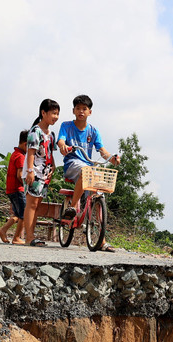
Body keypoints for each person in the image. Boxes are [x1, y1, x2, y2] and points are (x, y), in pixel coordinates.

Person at [57, 94, 120, 251]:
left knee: (98, 193)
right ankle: (72, 207)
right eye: (78, 108)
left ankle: (102, 241)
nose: (81, 111)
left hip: (89, 167)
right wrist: (63, 146)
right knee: (85, 171)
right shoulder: (66, 126)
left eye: (84, 109)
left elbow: (102, 150)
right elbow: (61, 140)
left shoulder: (93, 131)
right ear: (73, 110)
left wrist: (112, 158)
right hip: (72, 164)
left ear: (89, 112)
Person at [20, 99, 60, 246]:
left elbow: (50, 152)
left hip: (45, 174)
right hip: (35, 172)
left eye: (57, 114)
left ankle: (32, 236)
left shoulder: (51, 134)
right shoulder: (35, 131)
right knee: (31, 205)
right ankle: (29, 238)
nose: (56, 117)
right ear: (43, 113)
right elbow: (31, 152)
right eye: (53, 113)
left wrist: (53, 166)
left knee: (37, 205)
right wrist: (30, 171)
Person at [0, 130, 29, 244]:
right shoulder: (20, 157)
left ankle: (3, 230)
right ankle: (16, 238)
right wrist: (28, 185)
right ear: (26, 144)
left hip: (11, 190)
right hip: (18, 190)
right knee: (24, 215)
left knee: (17, 214)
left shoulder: (15, 154)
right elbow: (20, 175)